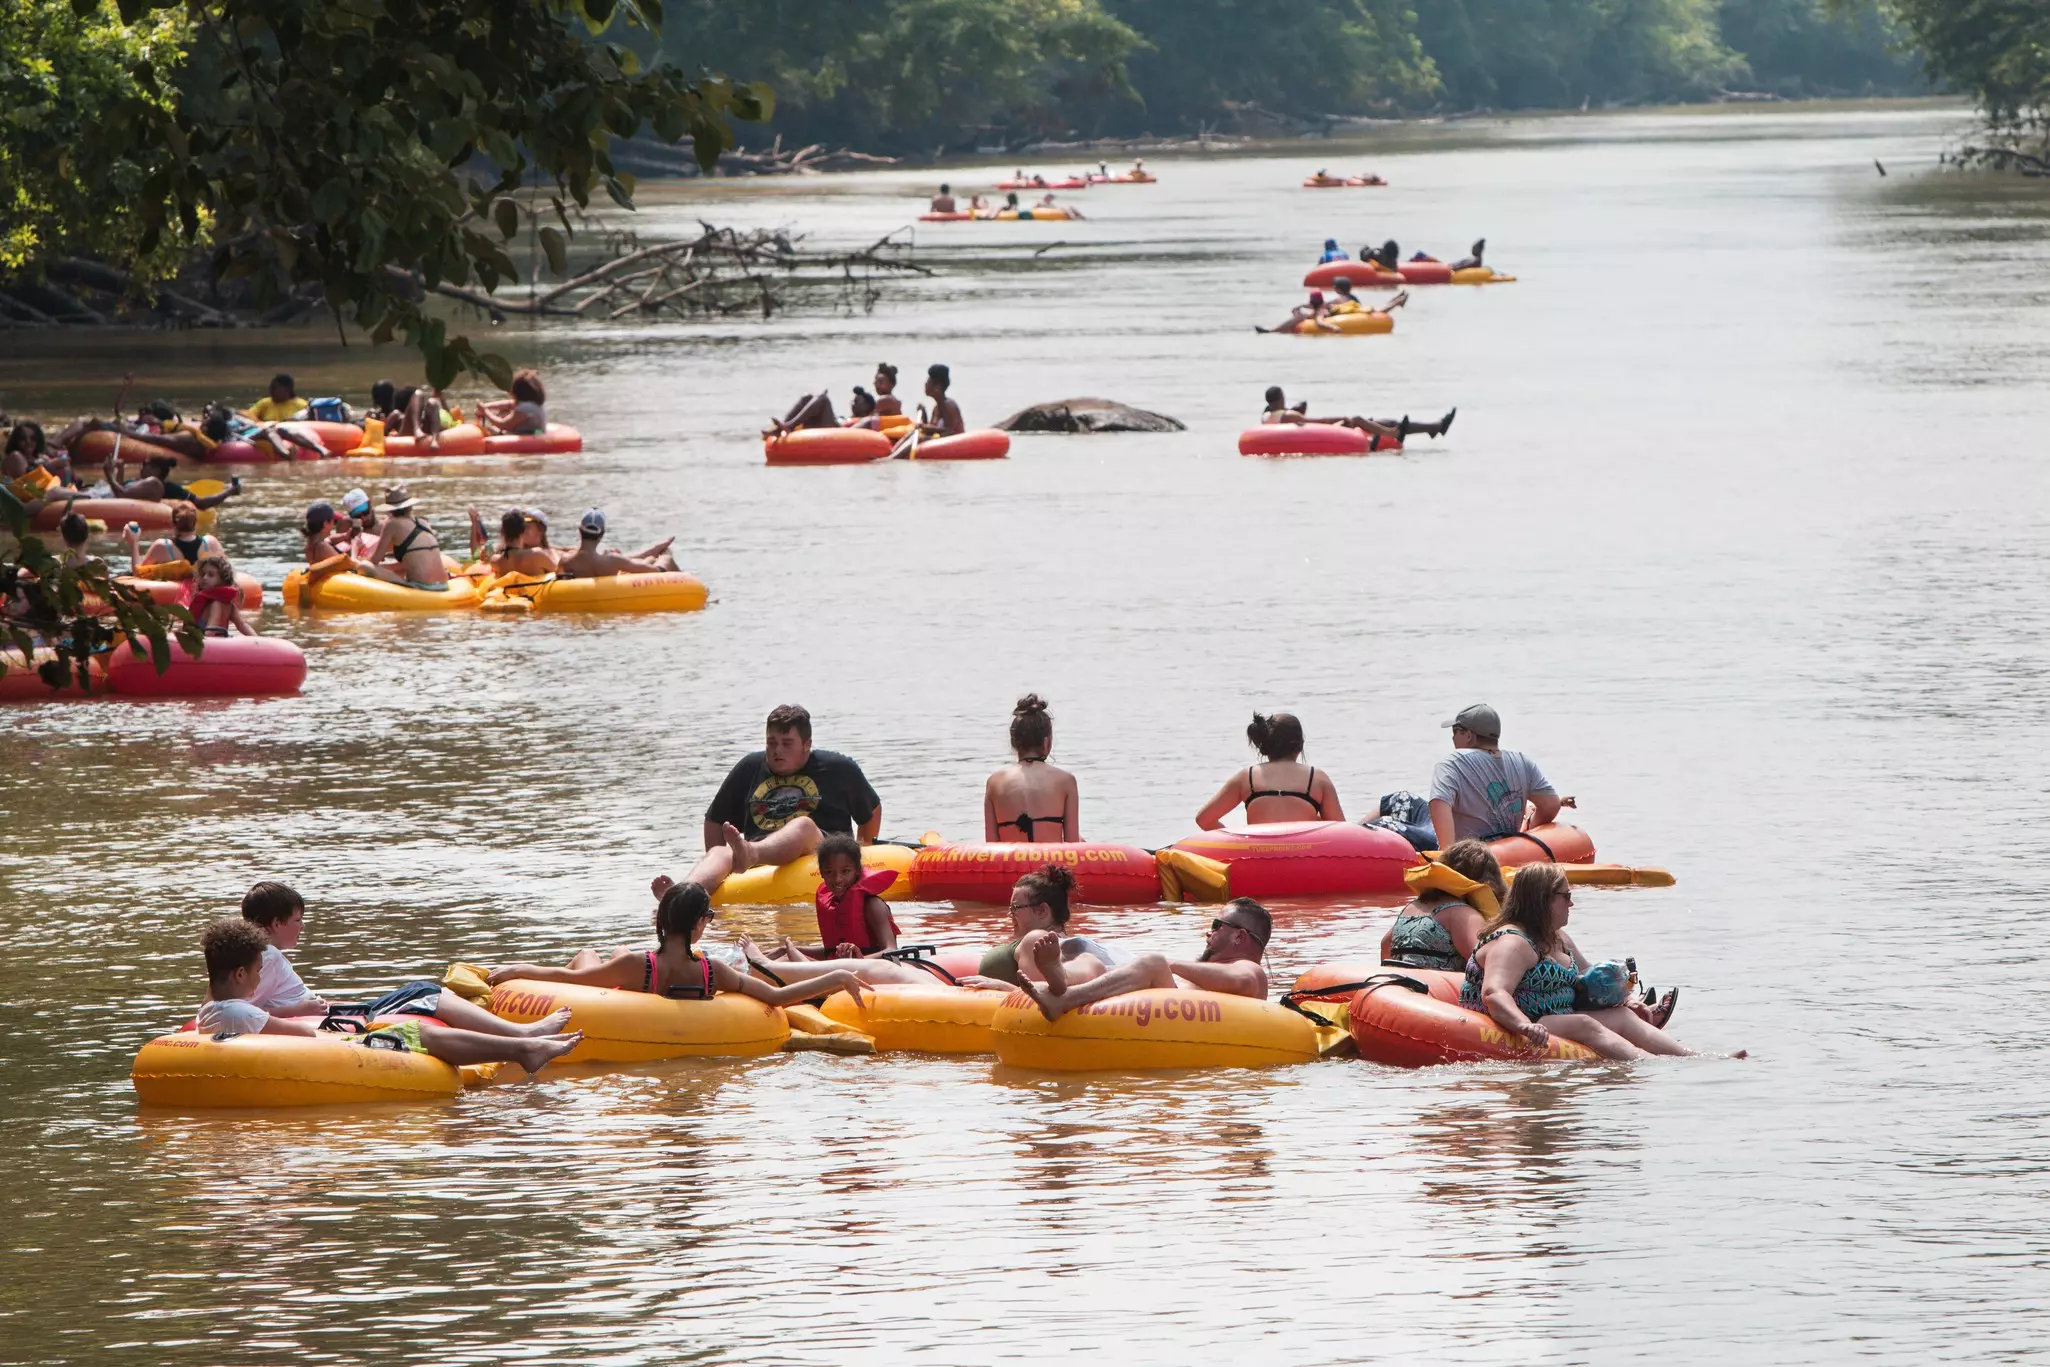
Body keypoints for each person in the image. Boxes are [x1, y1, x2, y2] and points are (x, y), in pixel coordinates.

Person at [196, 917, 582, 1073]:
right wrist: (344, 1025)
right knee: (417, 1032)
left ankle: (522, 1045)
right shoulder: (239, 1013)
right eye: (257, 971)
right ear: (241, 973)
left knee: (414, 1025)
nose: (260, 977)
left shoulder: (213, 1011)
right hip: (334, 1048)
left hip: (321, 1043)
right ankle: (523, 1048)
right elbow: (301, 1033)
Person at [227, 880, 581, 1038]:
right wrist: (297, 1009)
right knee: (424, 991)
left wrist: (308, 1004)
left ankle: (513, 1034)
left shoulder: (259, 955)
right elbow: (241, 1008)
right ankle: (521, 1033)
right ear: (276, 923)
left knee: (420, 991)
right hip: (323, 1020)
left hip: (325, 1011)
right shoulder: (267, 956)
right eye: (297, 920)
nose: (302, 927)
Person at [487, 880, 873, 1011]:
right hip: (667, 995)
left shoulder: (636, 966)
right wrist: (837, 976)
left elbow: (568, 978)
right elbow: (777, 997)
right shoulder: (713, 972)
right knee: (616, 954)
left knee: (591, 956)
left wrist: (518, 970)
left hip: (634, 985)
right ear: (699, 924)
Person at [1462, 864, 1711, 1059]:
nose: (1571, 902)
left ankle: (1689, 1058)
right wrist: (1524, 1026)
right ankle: (1647, 1065)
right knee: (1583, 1023)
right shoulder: (1513, 943)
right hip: (1521, 1022)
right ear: (1543, 900)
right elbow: (1494, 992)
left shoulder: (1556, 937)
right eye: (1566, 895)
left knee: (1622, 1016)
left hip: (1553, 1017)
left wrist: (1627, 998)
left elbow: (1586, 972)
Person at [666, 704, 882, 897]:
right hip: (758, 854)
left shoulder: (837, 767)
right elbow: (714, 820)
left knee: (802, 826)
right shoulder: (749, 767)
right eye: (771, 742)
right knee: (719, 853)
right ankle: (679, 897)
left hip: (818, 852)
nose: (777, 750)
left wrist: (859, 859)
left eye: (787, 743)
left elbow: (871, 811)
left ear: (806, 744)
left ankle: (751, 853)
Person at [995, 898, 1274, 1022]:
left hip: (1182, 1022)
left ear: (1239, 937)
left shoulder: (1249, 970)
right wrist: (1011, 992)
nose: (1208, 932)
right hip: (1147, 1005)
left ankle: (1063, 999)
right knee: (1091, 961)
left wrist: (1171, 965)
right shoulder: (1208, 971)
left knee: (1154, 962)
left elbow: (1243, 982)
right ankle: (1058, 980)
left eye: (1216, 925)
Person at [957, 866, 1124, 993]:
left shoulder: (1036, 939)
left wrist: (1004, 987)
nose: (1010, 914)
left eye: (1015, 908)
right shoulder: (1073, 946)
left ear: (1042, 911)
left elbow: (1042, 999)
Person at [1429, 704, 1566, 850]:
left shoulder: (1450, 765)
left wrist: (1447, 854)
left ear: (1469, 736)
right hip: (1512, 852)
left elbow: (1438, 803)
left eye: (1455, 731)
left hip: (1470, 856)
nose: (1452, 737)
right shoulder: (1522, 762)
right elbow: (1551, 805)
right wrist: (1528, 828)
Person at [1195, 712, 1345, 828]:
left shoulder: (1247, 777)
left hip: (1257, 854)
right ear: (1300, 745)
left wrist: (1236, 843)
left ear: (1265, 745)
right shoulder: (1317, 778)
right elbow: (1342, 832)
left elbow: (1204, 820)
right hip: (1303, 855)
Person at [769, 833, 899, 960]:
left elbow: (891, 951)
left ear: (857, 870)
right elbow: (829, 951)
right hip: (841, 967)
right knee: (785, 957)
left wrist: (858, 961)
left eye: (845, 871)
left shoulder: (872, 906)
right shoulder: (833, 903)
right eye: (829, 872)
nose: (838, 879)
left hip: (871, 968)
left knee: (787, 960)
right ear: (821, 873)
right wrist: (785, 949)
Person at [1379, 839, 1505, 971]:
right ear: (1490, 882)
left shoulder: (1413, 907)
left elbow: (1385, 944)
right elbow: (1483, 962)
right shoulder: (1462, 914)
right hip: (1435, 982)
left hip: (1398, 978)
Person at [985, 693, 1080, 842]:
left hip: (1011, 858)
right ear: (1046, 743)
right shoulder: (1066, 781)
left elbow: (990, 845)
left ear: (1014, 743)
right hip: (1050, 858)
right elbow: (1072, 845)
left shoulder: (994, 782)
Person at [1260, 386, 1454, 445]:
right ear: (1280, 399)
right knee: (1358, 420)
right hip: (1326, 434)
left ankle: (1434, 427)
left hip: (1312, 434)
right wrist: (1341, 419)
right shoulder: (1287, 416)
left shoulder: (1267, 416)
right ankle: (1394, 433)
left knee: (1380, 421)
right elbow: (1319, 421)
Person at [359, 483, 451, 588]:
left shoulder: (391, 524)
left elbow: (374, 560)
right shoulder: (423, 523)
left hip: (423, 587)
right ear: (410, 506)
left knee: (364, 566)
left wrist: (357, 555)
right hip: (444, 585)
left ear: (390, 510)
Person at [554, 509, 680, 578]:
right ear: (602, 534)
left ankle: (653, 552)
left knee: (649, 558)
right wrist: (661, 559)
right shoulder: (612, 560)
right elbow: (653, 571)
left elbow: (558, 577)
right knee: (663, 556)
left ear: (579, 531)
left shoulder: (566, 561)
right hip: (613, 592)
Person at [103, 453, 241, 510]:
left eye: (145, 464)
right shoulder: (141, 482)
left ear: (156, 470)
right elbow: (119, 490)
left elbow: (122, 496)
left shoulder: (157, 484)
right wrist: (120, 470)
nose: (141, 467)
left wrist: (229, 491)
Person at [123, 501, 223, 572]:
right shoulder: (210, 543)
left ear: (173, 524)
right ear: (195, 523)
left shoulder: (162, 546)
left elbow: (138, 573)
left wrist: (134, 542)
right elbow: (226, 573)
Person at [890, 364, 965, 456]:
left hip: (954, 444)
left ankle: (892, 458)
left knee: (919, 438)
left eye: (928, 381)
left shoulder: (949, 405)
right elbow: (931, 429)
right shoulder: (937, 407)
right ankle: (891, 454)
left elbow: (950, 431)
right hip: (940, 440)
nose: (925, 384)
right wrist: (924, 415)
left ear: (937, 386)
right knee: (911, 433)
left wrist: (923, 427)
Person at [187, 554, 254, 637]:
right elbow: (243, 626)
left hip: (209, 642)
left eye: (211, 575)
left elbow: (210, 631)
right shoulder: (230, 605)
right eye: (203, 574)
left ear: (222, 580)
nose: (204, 577)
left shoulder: (216, 604)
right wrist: (257, 639)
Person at [479, 369, 547, 436]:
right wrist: (485, 406)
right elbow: (509, 404)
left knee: (487, 430)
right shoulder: (534, 404)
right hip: (536, 432)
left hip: (528, 436)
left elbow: (504, 424)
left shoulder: (524, 408)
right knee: (504, 411)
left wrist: (485, 412)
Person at [339, 488, 380, 559]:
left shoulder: (384, 527)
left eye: (365, 513)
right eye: (357, 516)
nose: (364, 518)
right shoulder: (345, 526)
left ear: (370, 503)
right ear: (351, 516)